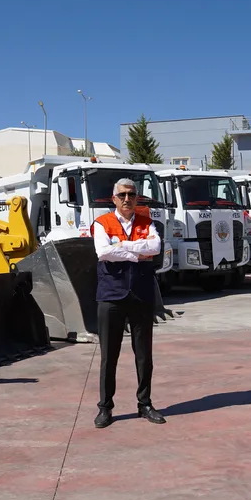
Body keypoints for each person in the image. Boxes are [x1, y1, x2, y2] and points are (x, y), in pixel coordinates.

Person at [90, 177, 165, 428]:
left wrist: (123, 246)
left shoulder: (146, 222)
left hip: (141, 295)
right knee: (109, 356)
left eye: (131, 195)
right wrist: (136, 255)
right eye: (122, 195)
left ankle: (145, 404)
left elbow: (155, 247)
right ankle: (105, 408)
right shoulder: (102, 223)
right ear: (114, 199)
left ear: (136, 198)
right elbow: (103, 252)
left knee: (144, 355)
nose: (126, 199)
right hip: (111, 295)